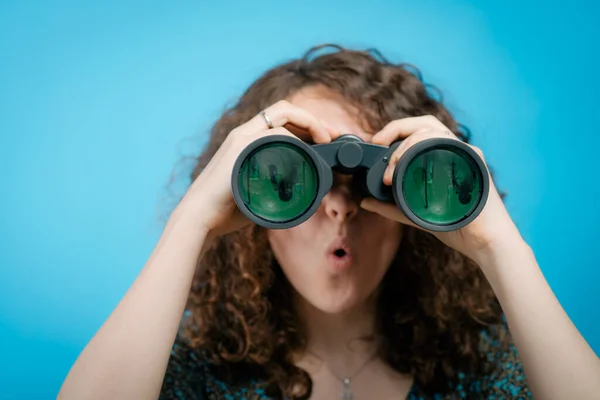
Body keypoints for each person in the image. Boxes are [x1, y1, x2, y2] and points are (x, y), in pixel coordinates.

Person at [57, 44, 600, 400]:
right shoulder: (200, 377)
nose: (339, 208)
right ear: (250, 209)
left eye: (373, 182)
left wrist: (497, 245)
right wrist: (191, 222)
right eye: (293, 181)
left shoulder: (480, 372)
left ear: (410, 207)